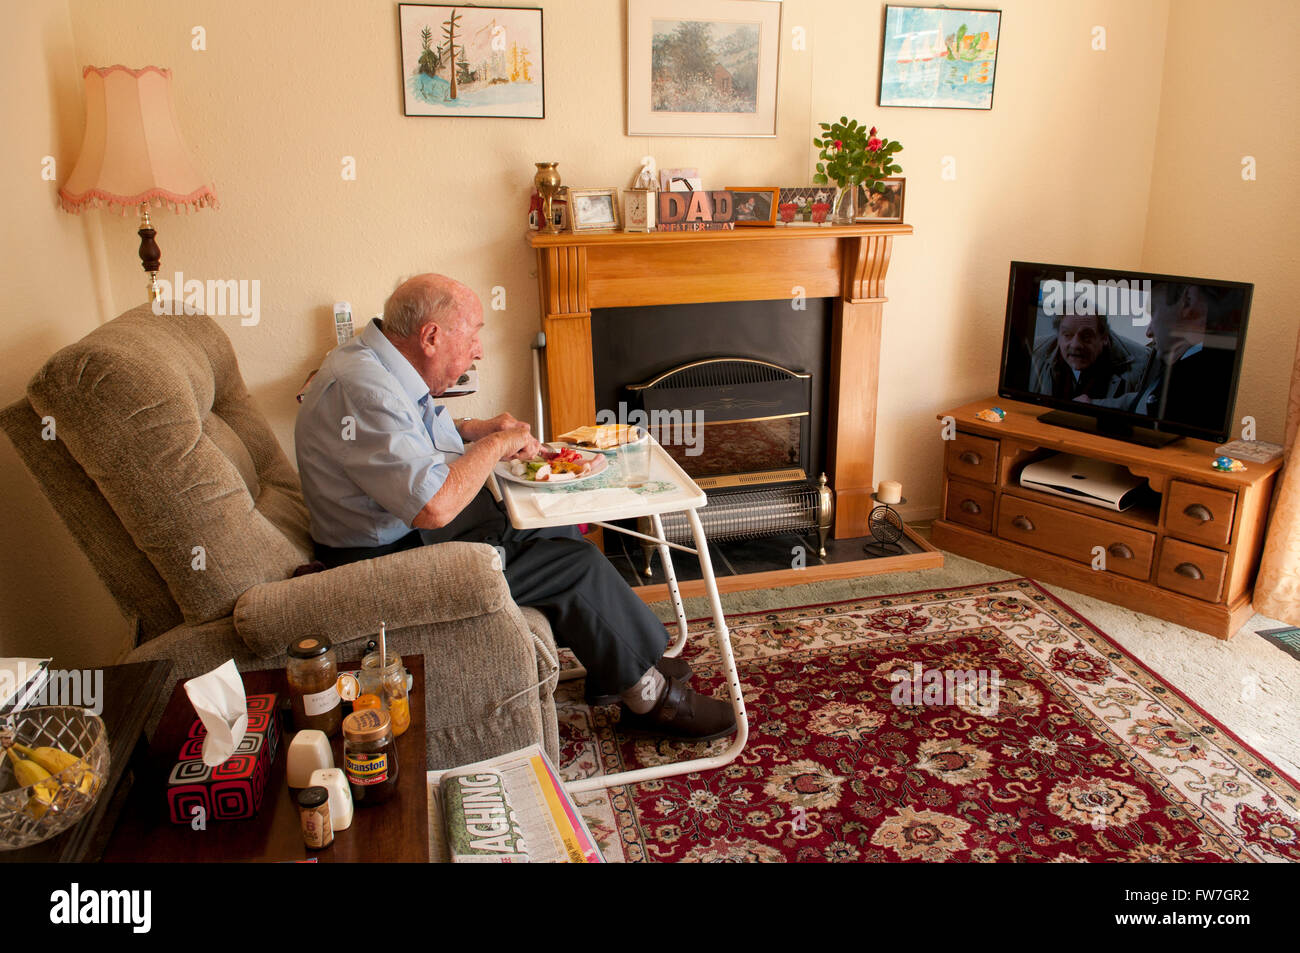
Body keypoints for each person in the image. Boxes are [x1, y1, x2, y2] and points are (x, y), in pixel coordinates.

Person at [295, 274, 736, 741]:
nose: (479, 349)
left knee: (558, 531)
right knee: (573, 566)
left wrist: (473, 429)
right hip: (388, 563)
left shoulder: (375, 364)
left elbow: (407, 433)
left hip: (405, 533)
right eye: (474, 334)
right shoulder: (363, 389)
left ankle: (621, 663)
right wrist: (500, 443)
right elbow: (433, 507)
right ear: (431, 336)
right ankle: (651, 700)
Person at [1081, 282, 1239, 427]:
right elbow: (1145, 400)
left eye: (1153, 314)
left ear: (1189, 301)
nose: (1148, 332)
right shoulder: (1183, 361)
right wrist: (1091, 403)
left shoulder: (1205, 378)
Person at [1027, 313, 1146, 401]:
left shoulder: (1143, 364)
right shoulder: (1033, 350)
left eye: (1086, 336)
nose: (1075, 345)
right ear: (1058, 335)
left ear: (1104, 337)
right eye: (1067, 335)